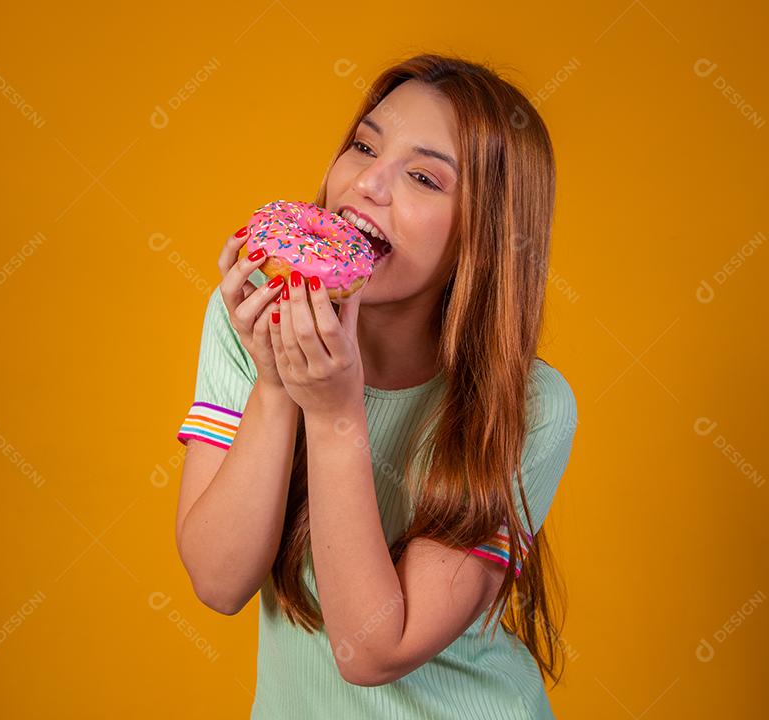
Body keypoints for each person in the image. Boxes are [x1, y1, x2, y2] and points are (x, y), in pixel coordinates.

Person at [174, 52, 578, 719]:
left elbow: (372, 652)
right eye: (364, 146)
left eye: (423, 177)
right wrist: (276, 387)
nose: (368, 183)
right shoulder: (247, 317)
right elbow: (218, 582)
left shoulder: (529, 404)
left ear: (483, 235)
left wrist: (334, 414)